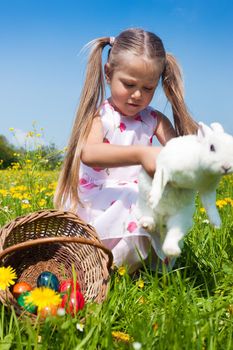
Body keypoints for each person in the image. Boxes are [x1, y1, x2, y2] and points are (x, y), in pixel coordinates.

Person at [54, 28, 197, 272]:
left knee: (155, 199)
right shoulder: (100, 116)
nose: (138, 95)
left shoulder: (155, 119)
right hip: (100, 198)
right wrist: (142, 155)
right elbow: (89, 153)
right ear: (108, 74)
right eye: (129, 84)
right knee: (136, 196)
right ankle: (103, 267)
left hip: (133, 196)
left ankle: (134, 269)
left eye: (149, 88)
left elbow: (179, 152)